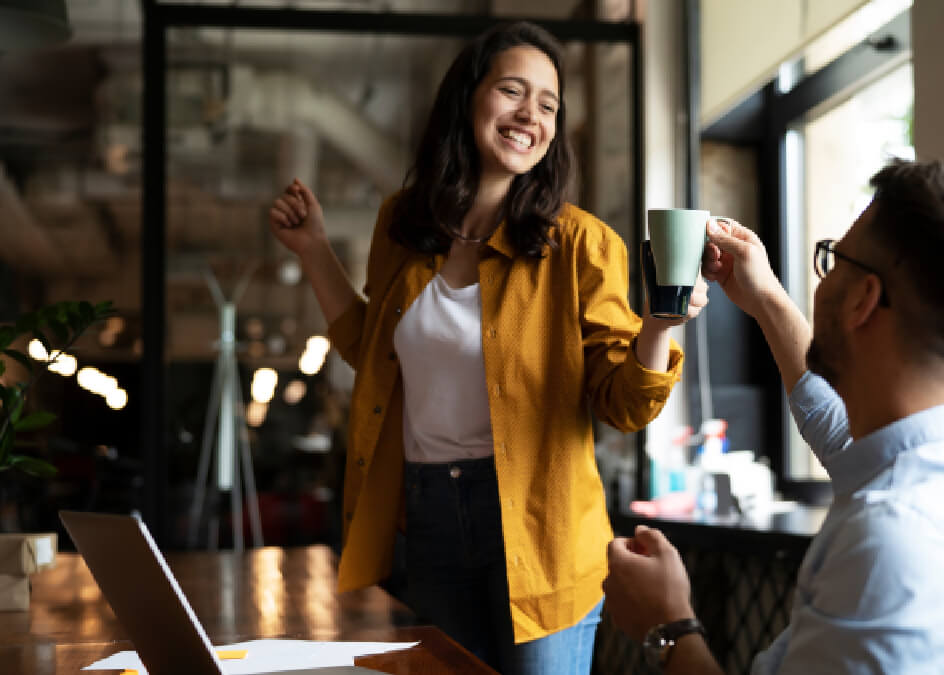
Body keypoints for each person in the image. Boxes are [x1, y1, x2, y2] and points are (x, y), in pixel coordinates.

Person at [267, 21, 706, 675]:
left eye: (549, 104)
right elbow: (378, 355)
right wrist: (315, 251)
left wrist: (659, 327)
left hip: (543, 528)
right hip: (431, 517)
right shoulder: (403, 224)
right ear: (468, 99)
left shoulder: (583, 245)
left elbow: (623, 405)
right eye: (512, 91)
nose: (531, 114)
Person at [603, 158, 944, 674]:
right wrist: (766, 296)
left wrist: (667, 624)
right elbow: (841, 432)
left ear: (865, 297)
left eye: (834, 261)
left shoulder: (890, 544)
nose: (825, 276)